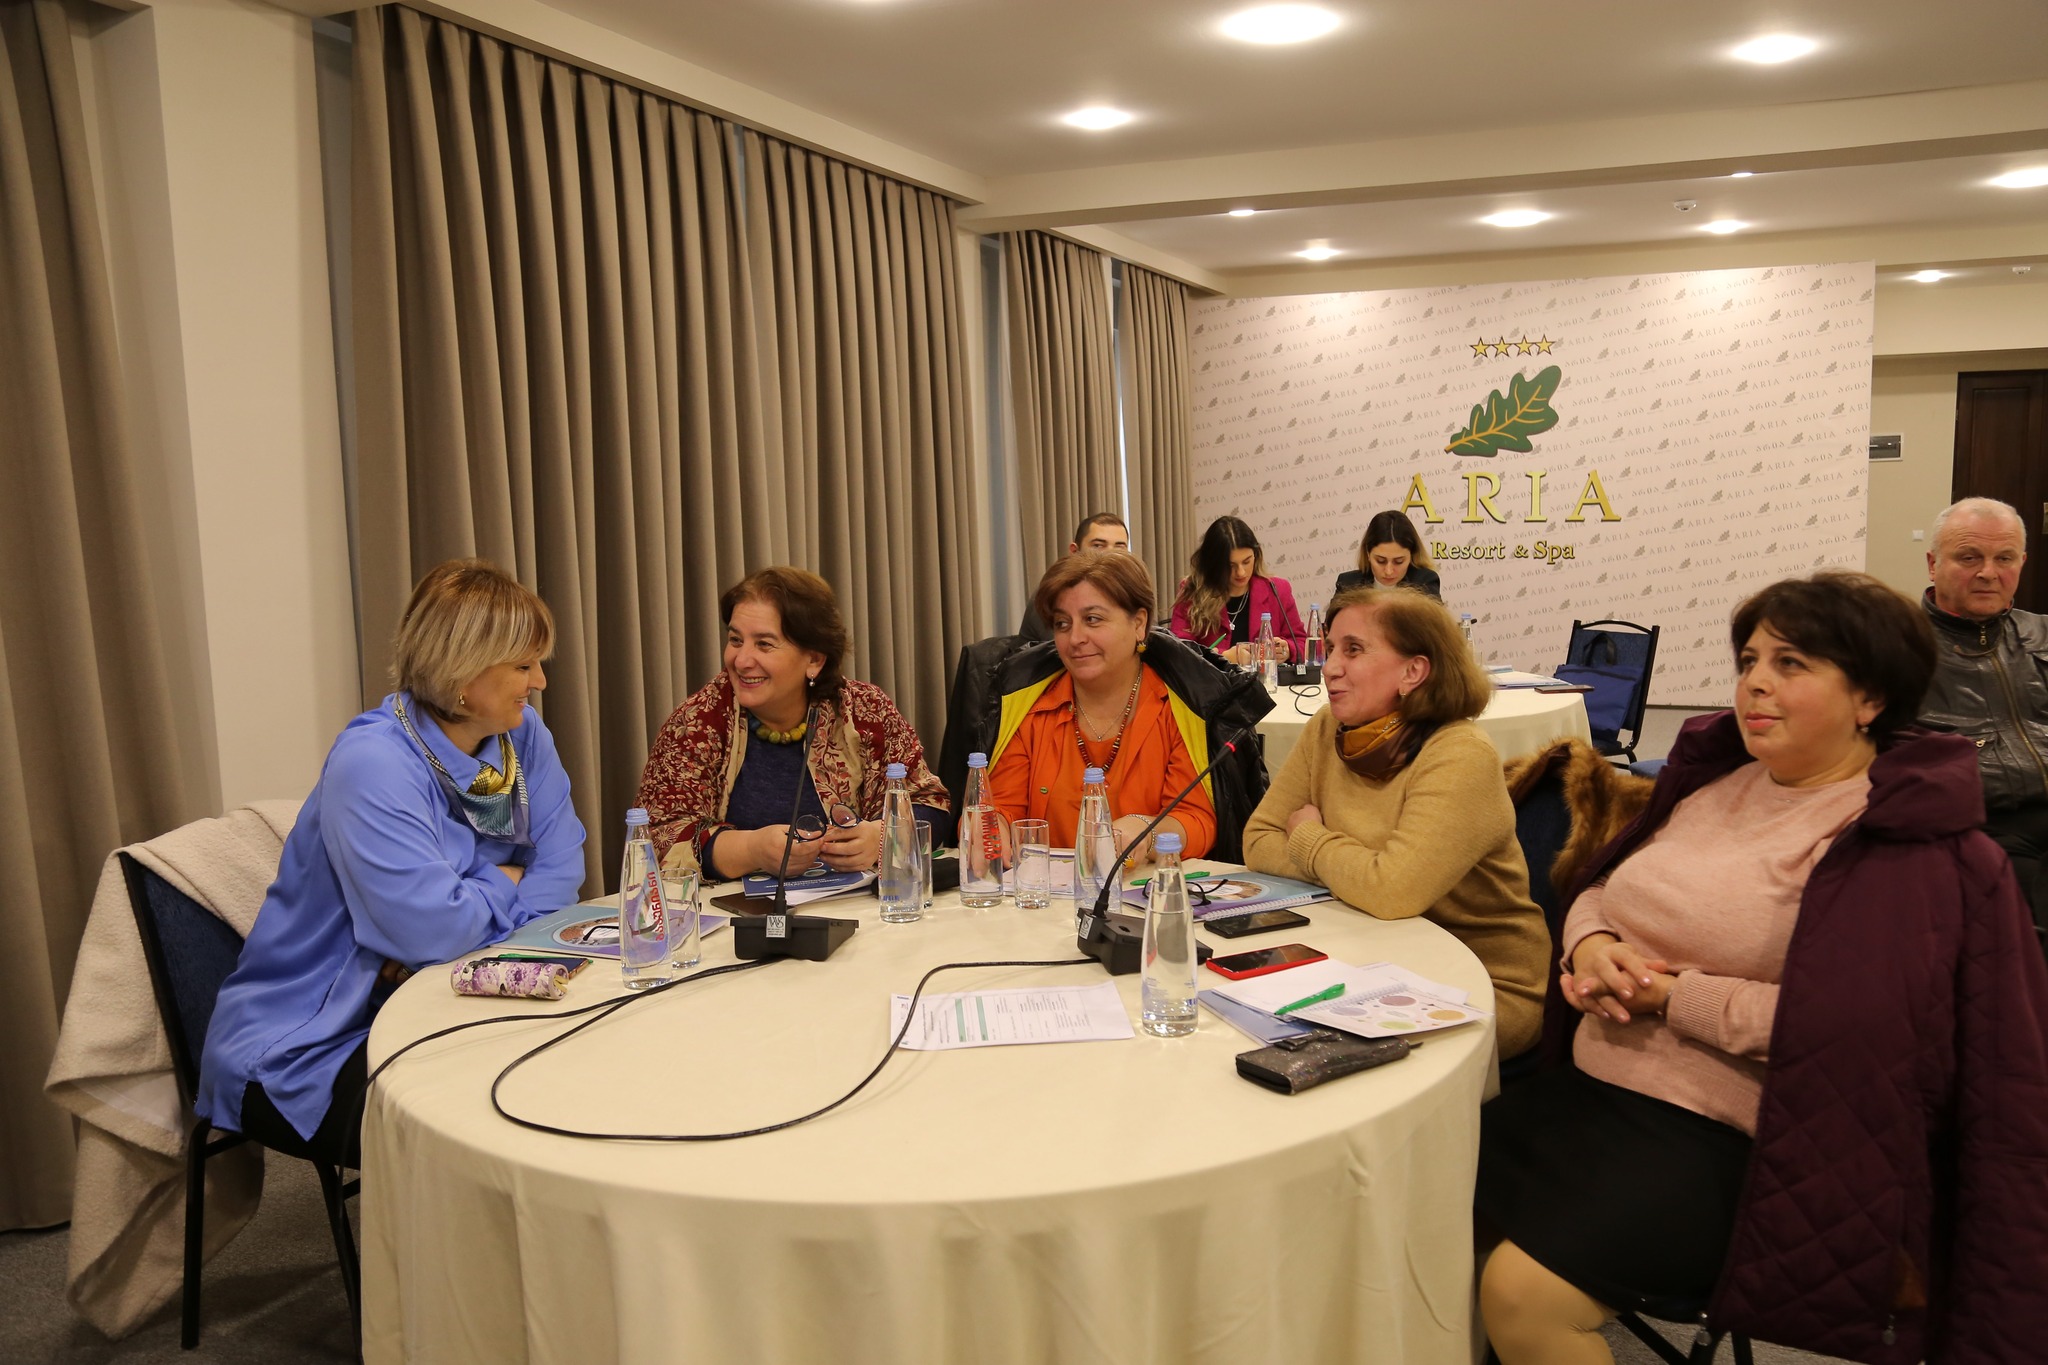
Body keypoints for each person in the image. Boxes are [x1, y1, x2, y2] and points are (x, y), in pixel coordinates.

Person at [1476, 571, 2048, 1365]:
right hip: (1590, 1095)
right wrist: (1593, 945)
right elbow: (1605, 885)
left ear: (1871, 697)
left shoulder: (1891, 841)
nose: (1755, 683)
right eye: (1749, 660)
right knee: (1414, 1202)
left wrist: (1671, 996)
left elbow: (1852, 1027)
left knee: (1521, 1294)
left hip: (1744, 1141)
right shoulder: (1714, 782)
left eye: (1791, 663)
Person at [196, 560, 587, 1166]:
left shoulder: (522, 734)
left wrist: (468, 927)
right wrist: (503, 879)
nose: (539, 681)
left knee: (579, 1074)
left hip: (461, 994)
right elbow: (433, 932)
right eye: (522, 665)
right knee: (507, 1126)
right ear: (464, 671)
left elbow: (561, 870)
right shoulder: (373, 763)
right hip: (316, 1036)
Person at [1240, 586, 1548, 1058]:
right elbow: (1258, 840)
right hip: (1363, 955)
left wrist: (1308, 839)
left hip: (1477, 982)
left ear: (1413, 671)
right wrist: (1358, 872)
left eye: (1353, 650)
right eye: (1331, 647)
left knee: (1304, 1060)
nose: (1330, 666)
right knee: (1242, 1027)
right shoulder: (1327, 727)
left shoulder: (1459, 754)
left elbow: (1392, 891)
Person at [637, 566, 951, 878]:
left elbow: (931, 804)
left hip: (859, 904)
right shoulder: (696, 723)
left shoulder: (865, 711)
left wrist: (883, 837)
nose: (741, 660)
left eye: (764, 644)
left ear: (814, 659)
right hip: (732, 908)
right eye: (735, 640)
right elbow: (656, 837)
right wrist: (752, 850)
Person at [975, 551, 1272, 863]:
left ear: (1139, 624)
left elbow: (1198, 819)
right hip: (1045, 888)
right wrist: (991, 827)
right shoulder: (1029, 704)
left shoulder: (1180, 706)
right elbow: (1002, 805)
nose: (1075, 638)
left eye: (1093, 619)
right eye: (1062, 624)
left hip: (1148, 886)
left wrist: (1148, 832)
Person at [1916, 495, 2048, 941]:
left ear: (2021, 564)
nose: (1989, 573)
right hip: (1981, 825)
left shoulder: (2044, 633)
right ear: (1933, 564)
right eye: (1969, 557)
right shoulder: (1896, 647)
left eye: (2004, 558)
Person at [1169, 515, 1307, 664]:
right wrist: (1223, 657)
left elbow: (1304, 643)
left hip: (1267, 678)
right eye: (1230, 566)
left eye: (1246, 562)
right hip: (1213, 679)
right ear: (1213, 563)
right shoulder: (1192, 591)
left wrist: (1288, 650)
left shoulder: (1277, 589)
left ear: (1256, 555)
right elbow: (1179, 652)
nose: (1240, 572)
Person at [1018, 511, 1131, 640]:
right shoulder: (1054, 593)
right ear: (1074, 551)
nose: (1110, 554)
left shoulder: (1128, 590)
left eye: (1119, 548)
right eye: (1098, 546)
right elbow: (1072, 646)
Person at [1333, 509, 1442, 601]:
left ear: (1411, 555)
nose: (1389, 571)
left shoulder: (1425, 582)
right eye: (1380, 561)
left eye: (1398, 562)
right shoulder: (1348, 583)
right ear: (1368, 553)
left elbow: (1434, 619)